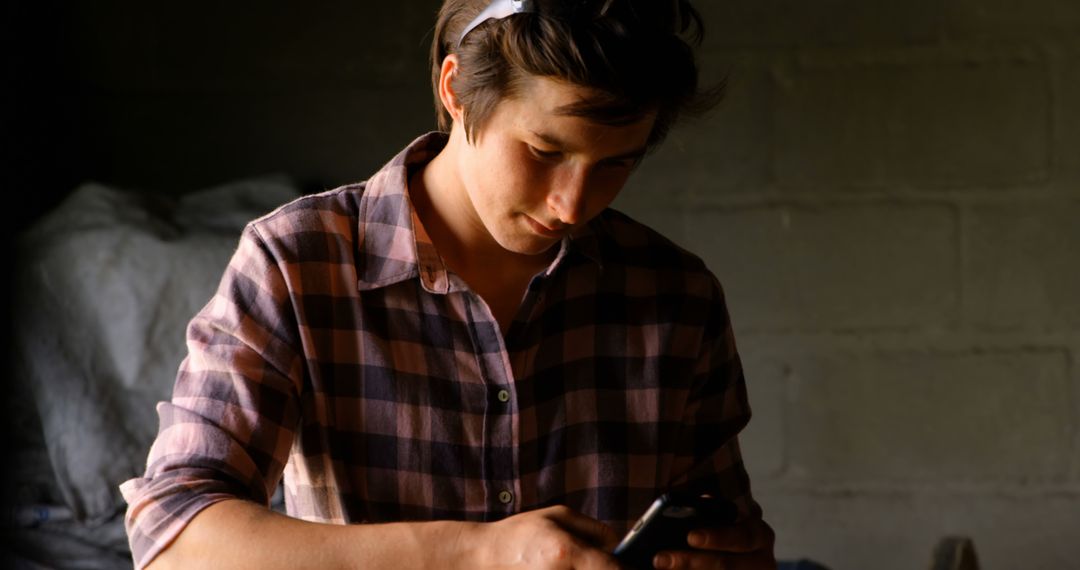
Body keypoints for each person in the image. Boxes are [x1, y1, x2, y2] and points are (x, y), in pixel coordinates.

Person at [120, 0, 776, 568]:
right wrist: (475, 553)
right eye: (545, 152)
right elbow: (173, 541)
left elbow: (728, 533)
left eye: (616, 164)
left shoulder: (677, 296)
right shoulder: (297, 263)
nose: (573, 205)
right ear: (455, 90)